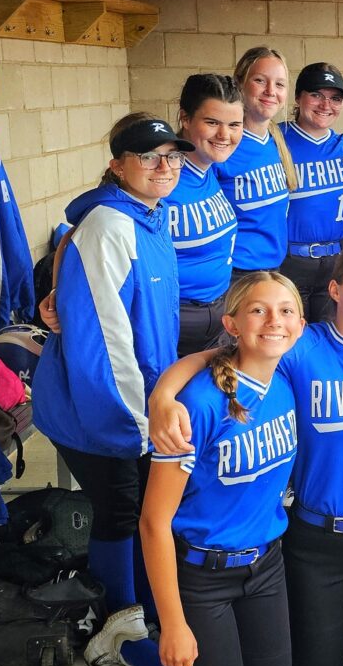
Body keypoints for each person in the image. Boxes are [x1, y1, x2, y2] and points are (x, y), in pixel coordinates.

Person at [149, 244, 343, 666]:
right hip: (320, 537)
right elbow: (225, 354)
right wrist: (163, 396)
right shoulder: (302, 345)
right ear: (335, 289)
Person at [82, 272, 304, 666]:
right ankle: (130, 640)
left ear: (300, 325)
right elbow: (153, 522)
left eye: (286, 311)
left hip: (265, 567)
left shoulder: (285, 375)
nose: (274, 321)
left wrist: (164, 385)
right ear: (232, 323)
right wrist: (176, 624)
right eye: (258, 310)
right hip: (202, 576)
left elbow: (210, 356)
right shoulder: (198, 405)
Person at [33, 114, 191, 622]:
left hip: (128, 400)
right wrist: (138, 424)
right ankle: (118, 619)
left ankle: (128, 607)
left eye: (172, 156)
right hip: (96, 406)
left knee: (131, 508)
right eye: (148, 156)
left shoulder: (150, 217)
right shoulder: (109, 226)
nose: (163, 166)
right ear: (118, 166)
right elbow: (102, 342)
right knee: (123, 513)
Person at [165, 74, 244, 356]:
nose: (225, 135)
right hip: (174, 320)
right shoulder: (162, 174)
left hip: (218, 313)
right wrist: (56, 293)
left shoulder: (209, 169)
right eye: (212, 123)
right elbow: (89, 228)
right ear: (185, 119)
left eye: (234, 124)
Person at [279, 63, 343, 322]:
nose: (326, 105)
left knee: (329, 340)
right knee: (290, 342)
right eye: (316, 95)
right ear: (298, 97)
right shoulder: (276, 141)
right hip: (289, 261)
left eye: (335, 98)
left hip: (336, 263)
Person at [214, 47, 297, 275]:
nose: (271, 91)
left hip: (273, 267)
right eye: (260, 80)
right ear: (240, 83)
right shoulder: (222, 144)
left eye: (279, 84)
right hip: (237, 272)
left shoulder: (276, 140)